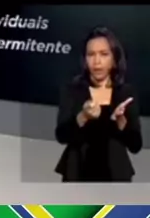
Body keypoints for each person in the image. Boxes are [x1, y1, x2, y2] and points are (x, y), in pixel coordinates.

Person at [55, 26, 142, 182]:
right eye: (91, 54)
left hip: (115, 175)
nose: (97, 62)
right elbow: (62, 135)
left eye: (104, 54)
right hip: (77, 172)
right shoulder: (72, 90)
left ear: (114, 59)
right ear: (85, 60)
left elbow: (135, 145)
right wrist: (83, 116)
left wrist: (121, 123)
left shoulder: (125, 93)